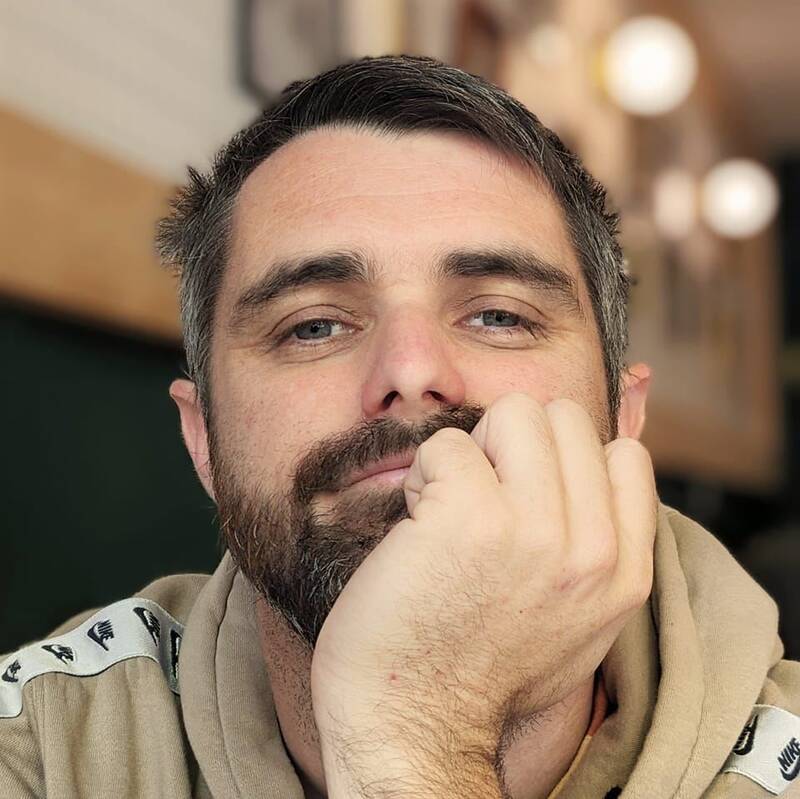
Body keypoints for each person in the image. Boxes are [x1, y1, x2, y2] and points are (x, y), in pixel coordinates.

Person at [1, 55, 798, 799]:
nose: (411, 369)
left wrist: (416, 728)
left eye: (498, 315)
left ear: (623, 420)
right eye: (314, 326)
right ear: (202, 436)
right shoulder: (37, 748)